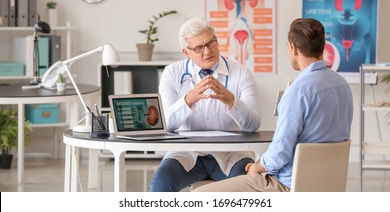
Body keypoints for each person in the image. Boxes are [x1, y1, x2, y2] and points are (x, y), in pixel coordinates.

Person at [194, 17, 353, 192]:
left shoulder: (298, 92)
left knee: (200, 194)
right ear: (322, 46)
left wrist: (258, 167)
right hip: (327, 184)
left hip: (288, 185)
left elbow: (280, 152)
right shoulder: (342, 85)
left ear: (292, 47)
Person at [149, 18, 261, 192]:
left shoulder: (240, 73)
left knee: (252, 184)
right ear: (186, 52)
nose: (208, 51)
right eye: (199, 48)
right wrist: (188, 100)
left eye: (211, 43)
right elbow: (165, 124)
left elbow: (253, 125)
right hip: (186, 153)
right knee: (162, 182)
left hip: (230, 153)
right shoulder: (172, 73)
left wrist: (231, 101)